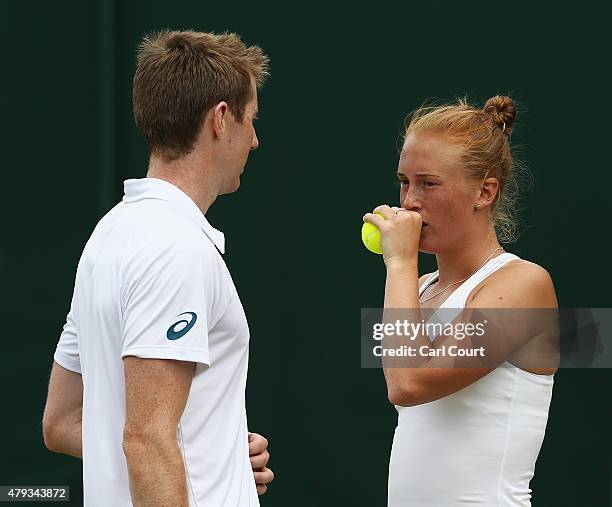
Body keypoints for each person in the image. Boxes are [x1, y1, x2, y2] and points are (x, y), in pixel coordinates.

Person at [42, 30, 274, 506]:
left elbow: (62, 423)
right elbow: (146, 440)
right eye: (251, 120)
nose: (255, 140)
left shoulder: (108, 237)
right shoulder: (175, 249)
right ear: (221, 119)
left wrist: (218, 456)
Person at [363, 95, 559, 506]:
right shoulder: (416, 290)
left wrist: (400, 263)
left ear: (485, 192)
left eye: (428, 183)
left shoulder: (526, 283)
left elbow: (407, 384)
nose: (409, 201)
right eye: (404, 182)